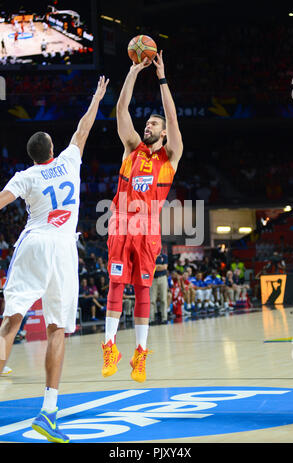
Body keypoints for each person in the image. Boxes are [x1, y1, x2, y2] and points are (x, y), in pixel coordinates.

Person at [0, 76, 109, 443]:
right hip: (64, 248)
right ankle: (49, 411)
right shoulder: (69, 159)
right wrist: (96, 97)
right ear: (50, 148)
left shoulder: (26, 175)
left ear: (32, 155)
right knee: (56, 328)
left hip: (34, 242)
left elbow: (2, 200)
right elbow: (83, 127)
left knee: (10, 323)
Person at [101, 50, 183, 383]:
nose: (147, 126)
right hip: (121, 224)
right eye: (147, 123)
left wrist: (161, 77)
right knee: (116, 286)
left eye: (153, 124)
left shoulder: (171, 156)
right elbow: (121, 110)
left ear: (162, 133)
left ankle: (140, 355)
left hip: (147, 229)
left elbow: (174, 120)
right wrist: (134, 72)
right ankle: (109, 348)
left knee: (143, 290)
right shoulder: (131, 148)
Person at [150, 251, 169, 324]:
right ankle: (152, 319)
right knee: (152, 300)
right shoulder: (150, 255)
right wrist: (158, 267)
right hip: (153, 279)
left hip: (163, 278)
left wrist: (155, 266)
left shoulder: (164, 256)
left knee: (163, 299)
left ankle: (164, 318)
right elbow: (150, 267)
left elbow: (165, 267)